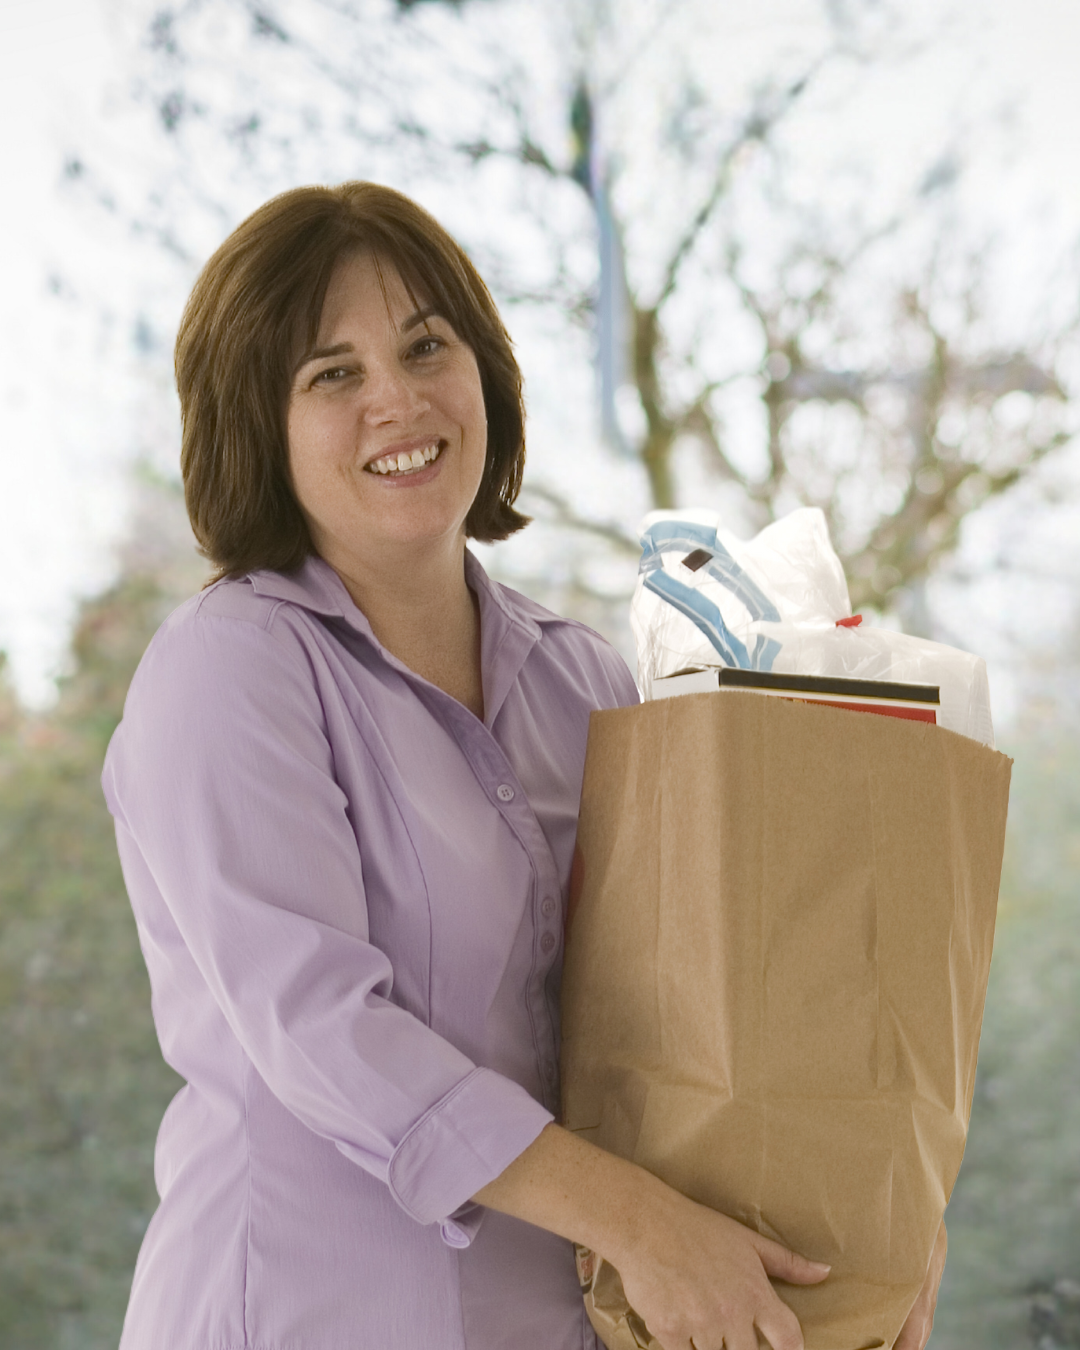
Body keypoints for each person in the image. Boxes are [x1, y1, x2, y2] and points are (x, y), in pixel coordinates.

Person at [102, 181, 946, 1350]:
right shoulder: (229, 670)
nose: (398, 399)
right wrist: (648, 1226)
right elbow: (325, 1033)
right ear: (262, 423)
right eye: (331, 374)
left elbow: (690, 1011)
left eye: (425, 345)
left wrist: (869, 1222)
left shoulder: (583, 678)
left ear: (484, 372)